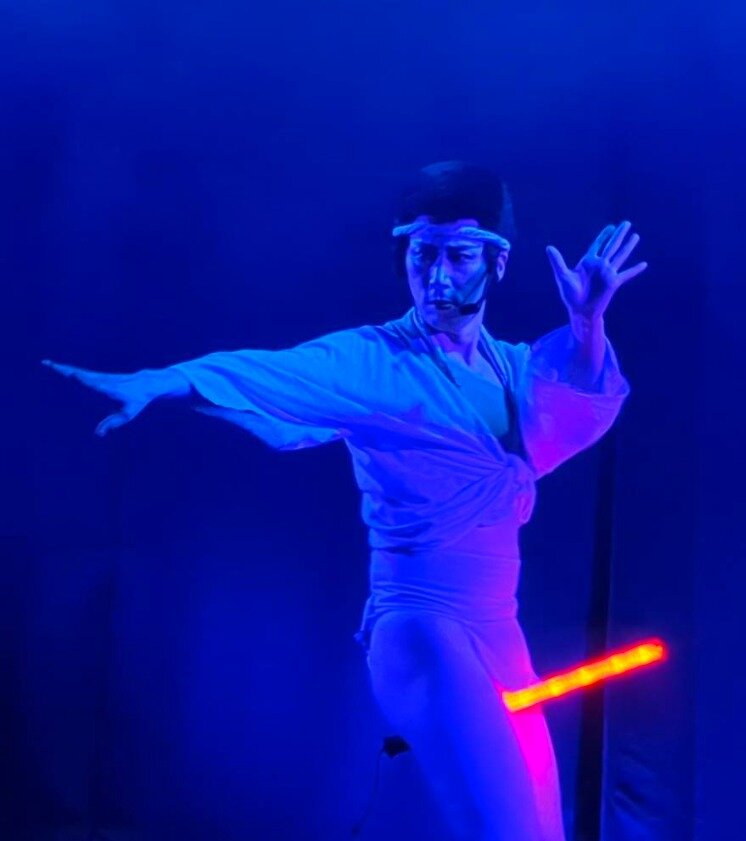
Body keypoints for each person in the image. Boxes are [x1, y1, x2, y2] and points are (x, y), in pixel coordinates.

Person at [42, 161, 647, 840]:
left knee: (543, 833)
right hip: (422, 627)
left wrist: (588, 321)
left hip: (498, 628)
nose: (437, 277)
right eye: (422, 254)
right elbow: (274, 372)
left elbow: (570, 414)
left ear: (497, 263)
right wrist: (161, 381)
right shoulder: (376, 361)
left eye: (458, 256)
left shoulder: (513, 367)